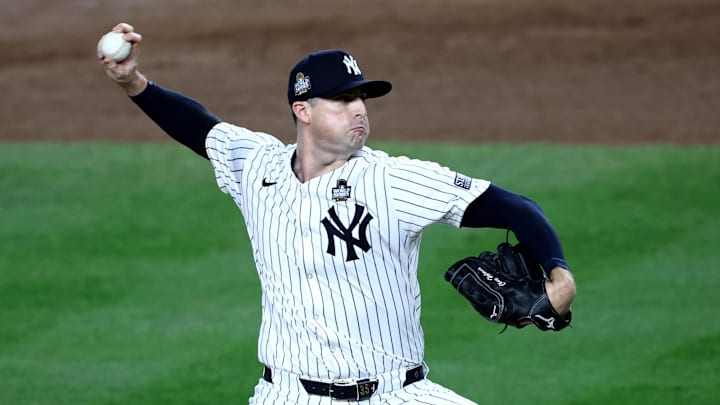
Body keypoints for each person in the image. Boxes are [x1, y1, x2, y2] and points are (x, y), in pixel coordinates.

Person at [98, 23, 576, 404]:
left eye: (362, 98)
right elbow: (199, 128)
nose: (359, 110)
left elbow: (517, 208)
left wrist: (560, 276)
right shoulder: (258, 166)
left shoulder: (393, 180)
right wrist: (133, 82)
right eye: (344, 99)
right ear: (302, 110)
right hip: (285, 395)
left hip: (395, 393)